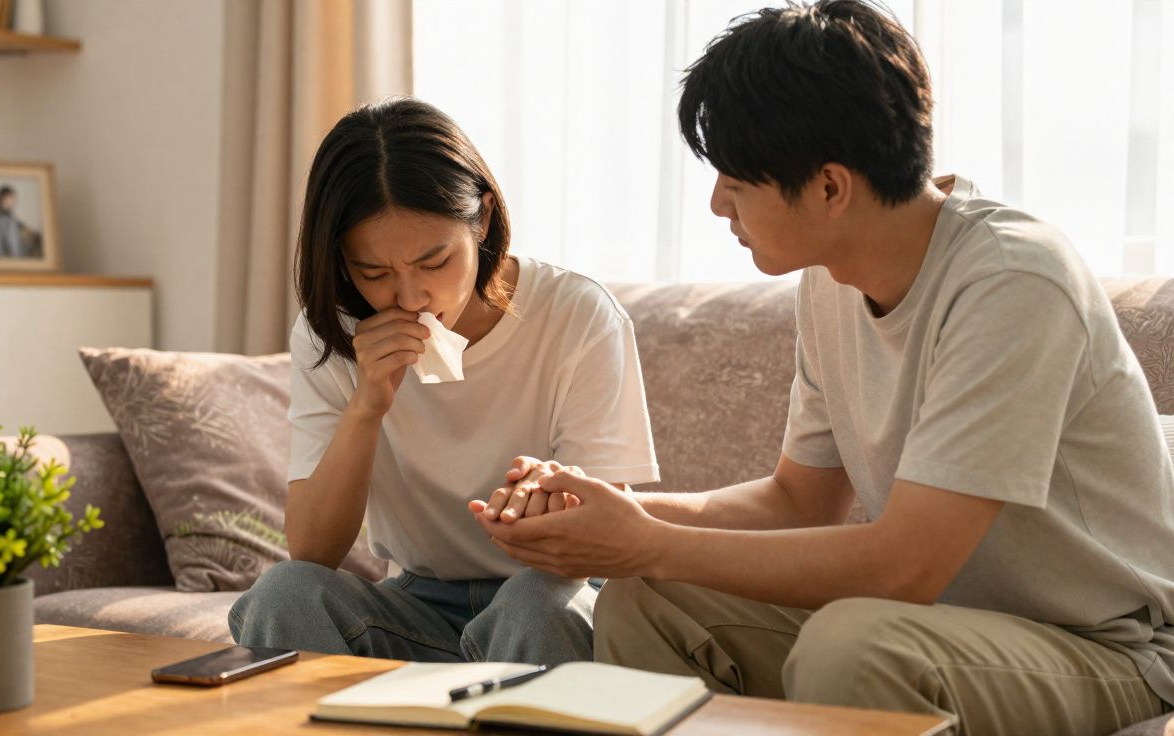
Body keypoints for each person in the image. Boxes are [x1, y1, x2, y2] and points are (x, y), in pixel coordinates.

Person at [477, 2, 1174, 733]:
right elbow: (797, 502)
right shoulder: (832, 279)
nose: (716, 204)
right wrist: (607, 509)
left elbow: (907, 565)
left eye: (735, 181)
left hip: (1107, 646)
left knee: (853, 646)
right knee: (648, 598)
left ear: (830, 188)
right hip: (942, 628)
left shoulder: (1013, 281)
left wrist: (649, 541)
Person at [228, 97, 659, 665]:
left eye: (434, 263)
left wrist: (546, 499)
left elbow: (604, 538)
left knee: (534, 606)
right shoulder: (332, 333)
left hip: (552, 590)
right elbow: (312, 551)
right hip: (420, 602)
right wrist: (367, 405)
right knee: (285, 593)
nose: (410, 297)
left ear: (482, 219)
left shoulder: (576, 314)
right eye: (374, 272)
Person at [0, 185, 41, 258]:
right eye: (8, 200)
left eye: (12, 200)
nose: (11, 203)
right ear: (1, 198)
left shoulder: (9, 216)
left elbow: (20, 226)